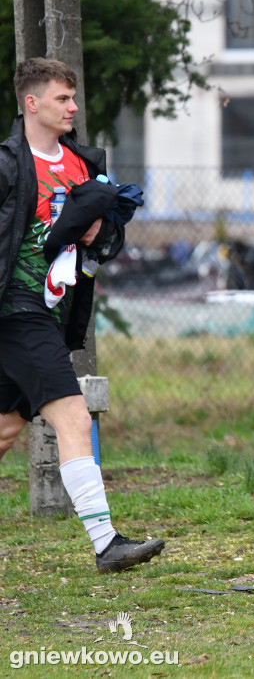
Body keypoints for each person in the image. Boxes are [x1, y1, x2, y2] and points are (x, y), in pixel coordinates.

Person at [0, 58, 164, 573]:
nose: (73, 107)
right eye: (62, 98)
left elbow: (107, 240)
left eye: (73, 98)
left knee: (5, 428)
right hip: (15, 309)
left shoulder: (82, 164)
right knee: (72, 413)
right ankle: (106, 543)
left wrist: (101, 233)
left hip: (52, 312)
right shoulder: (8, 164)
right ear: (32, 103)